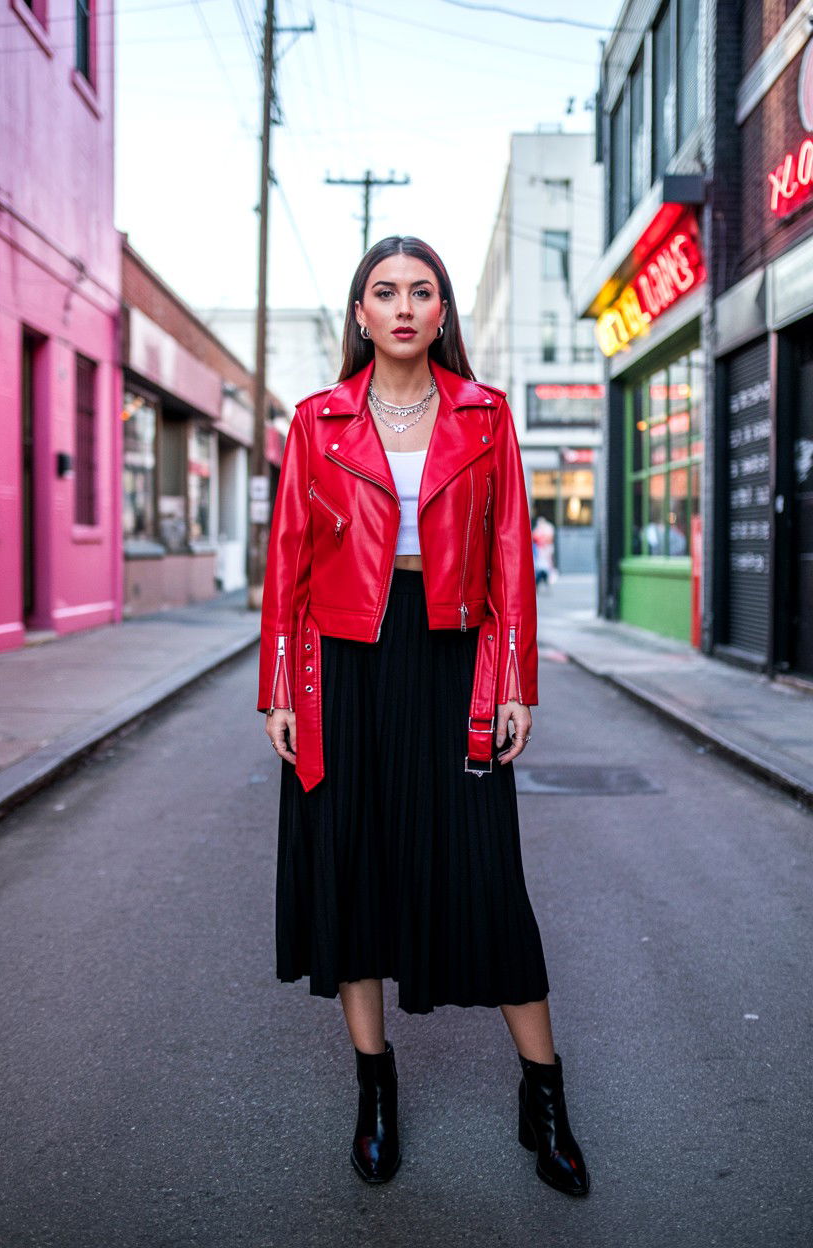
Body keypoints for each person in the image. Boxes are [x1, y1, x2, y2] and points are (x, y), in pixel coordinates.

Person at [257, 236, 590, 1197]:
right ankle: (374, 1090)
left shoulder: (486, 418)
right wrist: (278, 687)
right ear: (360, 314)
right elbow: (287, 561)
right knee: (352, 869)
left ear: (443, 312)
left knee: (487, 878)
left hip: (456, 657)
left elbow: (510, 553)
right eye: (384, 291)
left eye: (422, 291)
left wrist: (518, 680)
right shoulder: (318, 423)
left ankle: (546, 1093)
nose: (404, 306)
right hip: (342, 665)